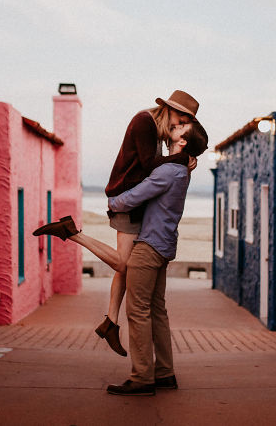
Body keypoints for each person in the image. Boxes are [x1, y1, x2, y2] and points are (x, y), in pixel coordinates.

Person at [35, 120, 209, 396]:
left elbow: (132, 198)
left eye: (180, 127)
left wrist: (112, 202)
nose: (174, 127)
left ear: (183, 141)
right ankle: (164, 373)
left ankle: (142, 377)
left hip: (149, 247)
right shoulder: (181, 169)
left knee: (137, 311)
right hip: (164, 245)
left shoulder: (169, 171)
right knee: (157, 310)